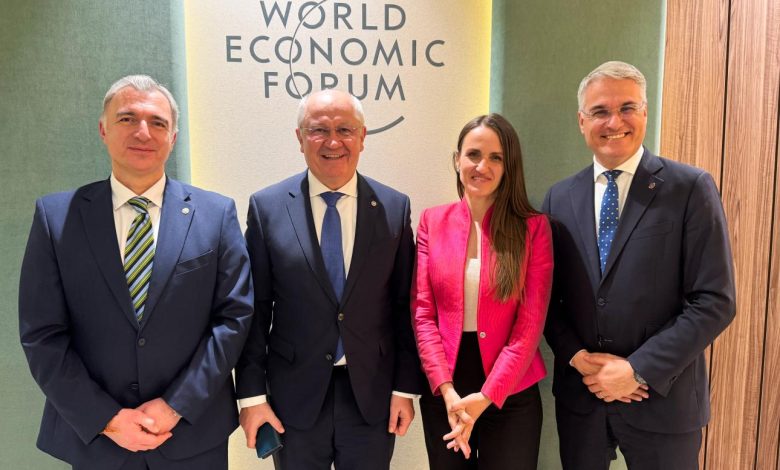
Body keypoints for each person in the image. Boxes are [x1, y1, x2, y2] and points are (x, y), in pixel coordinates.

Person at [18, 75, 253, 470]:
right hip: (97, 441)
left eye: (158, 122)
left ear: (173, 137)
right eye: (127, 119)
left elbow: (234, 319)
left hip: (191, 435)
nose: (143, 132)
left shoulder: (216, 215)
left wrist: (176, 405)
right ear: (103, 130)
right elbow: (42, 334)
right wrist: (106, 418)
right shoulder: (56, 218)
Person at [542, 61, 736, 469]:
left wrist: (637, 369)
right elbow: (545, 299)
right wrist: (576, 356)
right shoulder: (559, 198)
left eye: (627, 108)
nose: (614, 122)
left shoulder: (690, 188)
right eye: (600, 111)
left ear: (645, 113)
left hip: (663, 401)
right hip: (583, 399)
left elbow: (714, 301)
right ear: (582, 121)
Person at [234, 89, 422, 469]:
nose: (333, 142)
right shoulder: (267, 208)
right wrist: (252, 397)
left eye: (345, 130)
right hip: (293, 399)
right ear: (300, 137)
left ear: (362, 137)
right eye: (319, 130)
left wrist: (405, 388)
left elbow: (404, 305)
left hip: (371, 397)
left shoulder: (393, 207)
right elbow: (255, 310)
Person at [412, 113, 553, 469]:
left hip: (511, 393)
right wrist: (447, 391)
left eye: (495, 158)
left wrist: (487, 395)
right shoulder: (432, 221)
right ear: (457, 159)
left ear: (509, 166)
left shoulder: (533, 229)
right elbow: (423, 314)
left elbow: (529, 327)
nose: (482, 166)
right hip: (446, 393)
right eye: (473, 154)